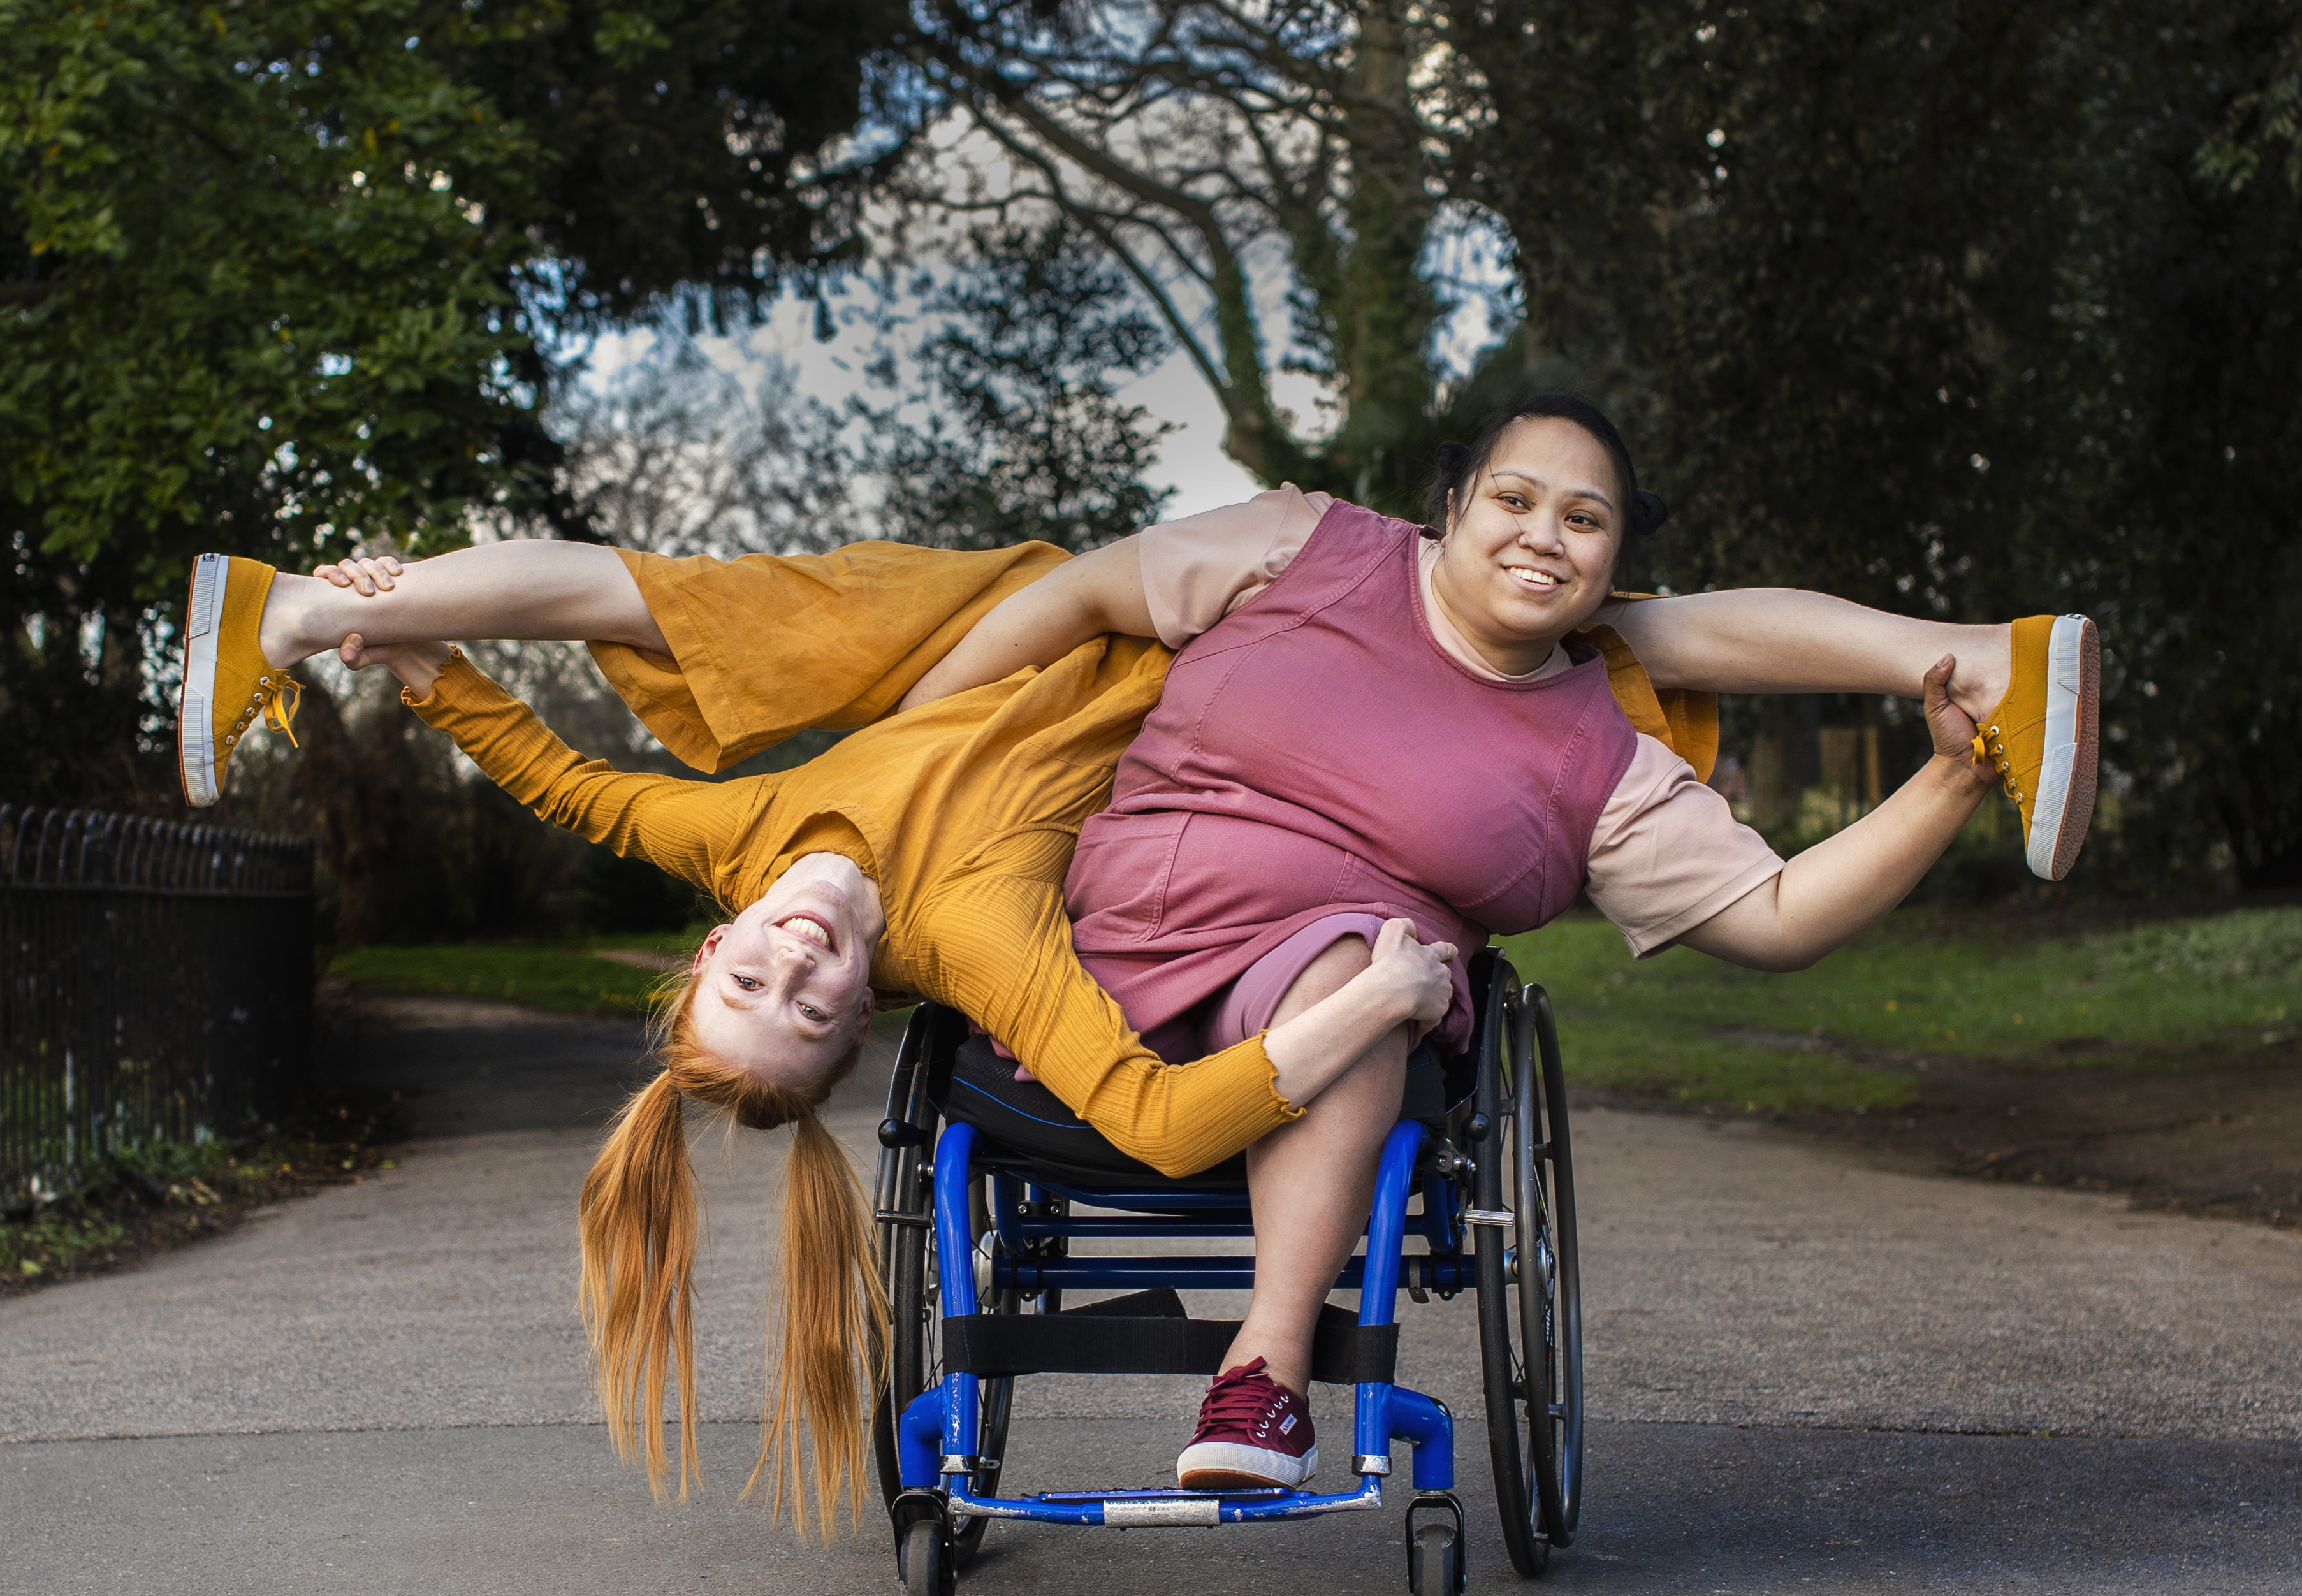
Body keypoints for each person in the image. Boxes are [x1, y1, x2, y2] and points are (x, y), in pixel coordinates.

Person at [175, 404, 2095, 1502]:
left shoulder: (740, 830)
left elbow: (575, 787)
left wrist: (411, 660)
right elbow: (1144, 1097)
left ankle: (289, 613)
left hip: (1013, 652)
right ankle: (289, 617)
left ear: (706, 957)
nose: (806, 973)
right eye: (816, 1014)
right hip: (1134, 719)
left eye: (753, 981)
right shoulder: (981, 921)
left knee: (657, 604)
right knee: (700, 606)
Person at [865, 392, 2064, 1490]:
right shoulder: (1307, 548)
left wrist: (1953, 782)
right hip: (1093, 958)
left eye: (1586, 521)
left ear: (1612, 567)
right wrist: (900, 758)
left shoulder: (1600, 759)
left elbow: (1780, 918)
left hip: (1333, 992)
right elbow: (1078, 596)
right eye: (1516, 499)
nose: (1546, 535)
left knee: (1362, 975)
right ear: (1449, 511)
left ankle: (1262, 1378)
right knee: (1341, 976)